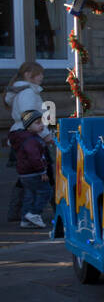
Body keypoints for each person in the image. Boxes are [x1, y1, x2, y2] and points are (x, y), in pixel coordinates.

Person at [5, 62, 45, 224]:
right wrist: (45, 134)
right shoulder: (28, 93)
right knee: (42, 175)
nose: (42, 77)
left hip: (20, 135)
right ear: (29, 75)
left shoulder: (22, 91)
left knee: (25, 176)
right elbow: (31, 117)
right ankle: (33, 212)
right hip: (30, 136)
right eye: (40, 74)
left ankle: (16, 211)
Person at [10, 109, 52, 228]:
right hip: (34, 172)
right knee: (45, 191)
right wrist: (42, 171)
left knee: (30, 195)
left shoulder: (26, 137)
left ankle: (25, 219)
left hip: (25, 173)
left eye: (42, 122)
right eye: (37, 123)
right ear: (28, 126)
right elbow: (35, 157)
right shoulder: (31, 140)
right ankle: (34, 213)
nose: (41, 125)